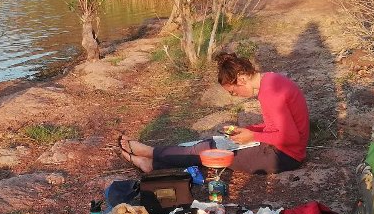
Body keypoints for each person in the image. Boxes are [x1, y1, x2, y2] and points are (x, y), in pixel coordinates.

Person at [117, 52, 309, 175]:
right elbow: (277, 126)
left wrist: (253, 135)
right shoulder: (270, 80)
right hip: (280, 148)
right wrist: (249, 130)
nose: (235, 96)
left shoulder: (270, 93)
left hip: (285, 156)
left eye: (233, 92)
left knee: (211, 153)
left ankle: (150, 156)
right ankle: (151, 160)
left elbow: (290, 137)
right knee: (211, 143)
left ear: (241, 79)